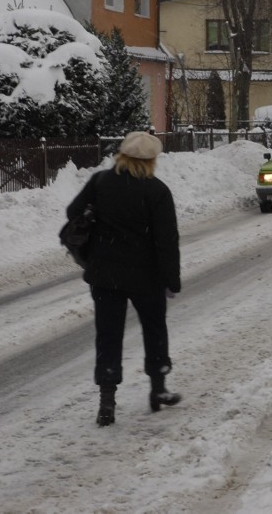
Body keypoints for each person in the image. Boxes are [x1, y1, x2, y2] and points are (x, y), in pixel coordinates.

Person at [66, 131, 182, 426]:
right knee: (154, 330)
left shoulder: (100, 182)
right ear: (151, 160)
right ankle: (158, 389)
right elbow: (166, 240)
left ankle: (107, 402)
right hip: (147, 277)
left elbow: (73, 212)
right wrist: (171, 278)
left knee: (108, 335)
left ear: (122, 155)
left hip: (105, 274)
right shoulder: (157, 191)